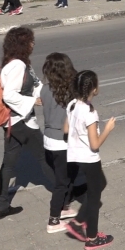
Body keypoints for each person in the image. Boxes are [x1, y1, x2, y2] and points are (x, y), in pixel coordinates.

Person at [0, 27, 54, 219]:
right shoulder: (18, 66)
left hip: (11, 122)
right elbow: (9, 95)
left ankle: (2, 206)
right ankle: (64, 192)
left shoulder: (16, 63)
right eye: (30, 41)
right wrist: (33, 101)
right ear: (22, 44)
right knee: (45, 157)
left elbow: (34, 85)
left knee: (9, 164)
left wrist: (46, 93)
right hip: (22, 121)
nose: (33, 44)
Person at [64, 70, 116, 250]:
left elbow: (66, 129)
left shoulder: (72, 104)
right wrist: (108, 129)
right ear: (93, 89)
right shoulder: (90, 112)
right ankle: (92, 238)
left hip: (76, 156)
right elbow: (95, 144)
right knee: (94, 199)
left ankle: (78, 221)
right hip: (90, 159)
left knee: (101, 183)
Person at [40, 53, 80, 234]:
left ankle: (65, 207)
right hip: (63, 142)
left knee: (68, 174)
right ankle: (53, 220)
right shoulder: (71, 91)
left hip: (49, 140)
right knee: (62, 182)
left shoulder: (45, 89)